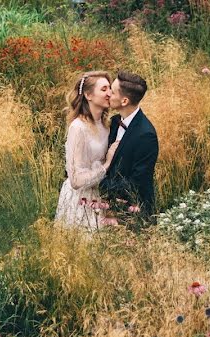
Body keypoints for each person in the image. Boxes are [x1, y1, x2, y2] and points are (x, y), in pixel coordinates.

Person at [55, 71, 120, 231]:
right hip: (79, 199)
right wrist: (107, 164)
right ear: (88, 95)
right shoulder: (78, 127)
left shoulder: (107, 125)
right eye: (104, 89)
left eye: (110, 89)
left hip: (100, 197)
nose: (110, 93)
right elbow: (75, 181)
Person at [100, 71, 159, 224]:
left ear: (124, 101)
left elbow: (136, 183)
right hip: (108, 206)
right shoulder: (114, 122)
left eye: (112, 91)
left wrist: (96, 183)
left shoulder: (146, 135)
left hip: (133, 215)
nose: (108, 94)